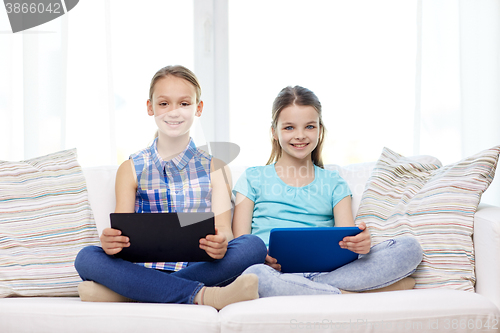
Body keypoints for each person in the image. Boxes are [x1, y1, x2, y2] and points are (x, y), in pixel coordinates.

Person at [75, 65, 267, 309]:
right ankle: (205, 296)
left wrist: (221, 243)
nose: (174, 112)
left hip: (198, 267)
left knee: (253, 246)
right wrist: (112, 242)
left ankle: (131, 292)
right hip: (142, 267)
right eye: (164, 103)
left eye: (184, 104)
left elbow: (224, 231)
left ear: (198, 108)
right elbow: (122, 231)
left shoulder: (216, 167)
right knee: (86, 257)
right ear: (150, 107)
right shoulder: (131, 167)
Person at [232, 85, 422, 297]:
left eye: (310, 127)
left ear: (320, 130)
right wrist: (259, 257)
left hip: (327, 272)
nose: (300, 135)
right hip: (271, 272)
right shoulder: (252, 178)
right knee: (253, 275)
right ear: (274, 132)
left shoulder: (334, 183)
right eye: (289, 128)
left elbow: (345, 245)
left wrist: (360, 245)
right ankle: (343, 293)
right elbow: (241, 246)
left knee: (409, 248)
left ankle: (317, 289)